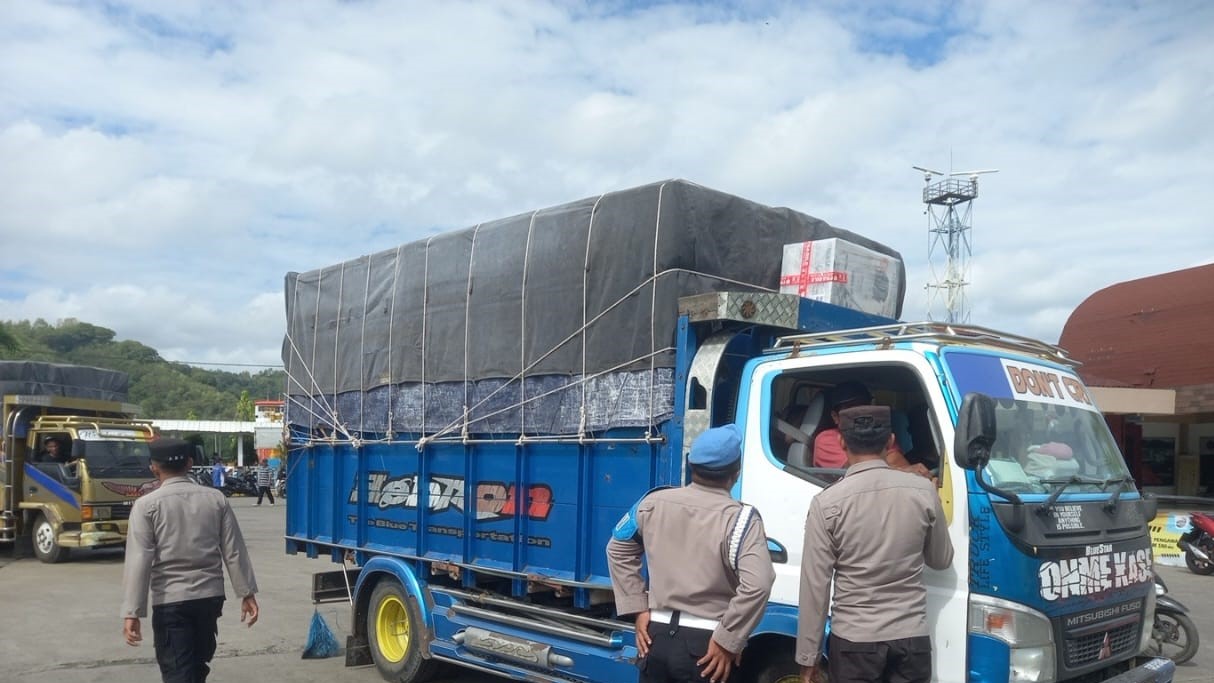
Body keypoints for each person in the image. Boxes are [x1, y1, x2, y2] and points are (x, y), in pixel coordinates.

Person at [796, 406, 954, 683]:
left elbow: (815, 588)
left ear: (842, 442)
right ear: (891, 441)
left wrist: (808, 658)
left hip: (854, 643)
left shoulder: (827, 503)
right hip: (911, 639)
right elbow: (941, 560)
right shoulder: (923, 491)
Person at [607, 424, 776, 683]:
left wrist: (638, 608)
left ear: (691, 465)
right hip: (709, 648)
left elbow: (617, 549)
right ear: (736, 472)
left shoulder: (651, 503)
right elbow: (759, 584)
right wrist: (727, 639)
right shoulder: (742, 519)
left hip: (655, 639)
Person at [121, 437, 260, 683]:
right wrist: (246, 593)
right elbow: (233, 550)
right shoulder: (215, 499)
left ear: (154, 467)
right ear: (189, 463)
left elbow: (139, 560)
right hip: (209, 599)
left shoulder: (145, 506)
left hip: (170, 601)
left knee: (178, 673)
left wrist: (132, 612)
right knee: (196, 669)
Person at [811, 382, 905, 469]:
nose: (859, 413)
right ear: (835, 417)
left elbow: (899, 462)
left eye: (863, 406)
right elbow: (859, 469)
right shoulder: (826, 439)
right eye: (850, 409)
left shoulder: (879, 431)